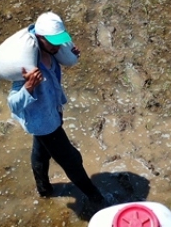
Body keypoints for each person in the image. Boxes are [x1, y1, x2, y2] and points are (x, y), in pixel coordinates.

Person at [7, 12, 108, 210]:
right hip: (43, 123)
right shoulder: (26, 65)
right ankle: (98, 199)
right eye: (53, 42)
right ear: (39, 38)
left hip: (54, 112)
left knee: (41, 153)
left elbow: (57, 66)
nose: (57, 46)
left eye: (59, 42)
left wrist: (71, 55)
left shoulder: (51, 53)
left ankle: (44, 190)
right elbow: (13, 104)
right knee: (71, 160)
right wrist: (28, 88)